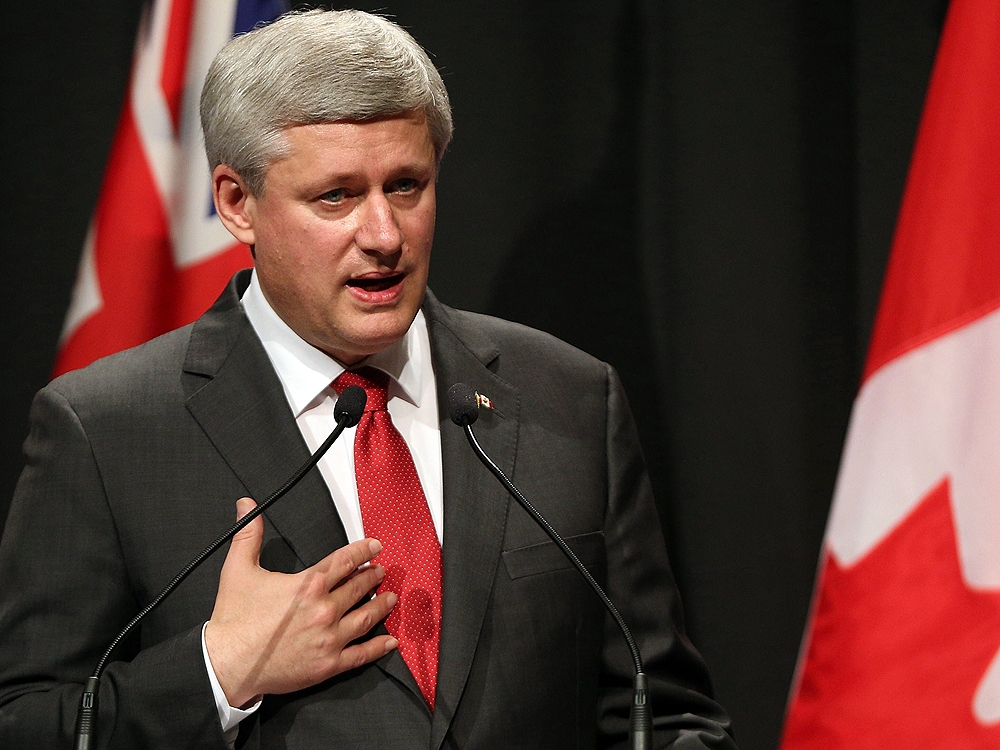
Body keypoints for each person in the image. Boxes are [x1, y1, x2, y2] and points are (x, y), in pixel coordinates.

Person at [0, 9, 736, 749]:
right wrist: (217, 672)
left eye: (407, 185)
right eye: (336, 197)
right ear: (236, 203)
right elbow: (26, 723)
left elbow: (665, 714)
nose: (385, 235)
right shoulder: (104, 430)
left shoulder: (570, 398)